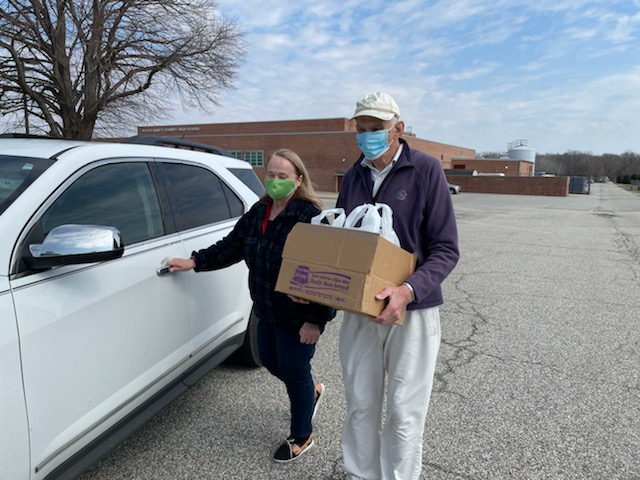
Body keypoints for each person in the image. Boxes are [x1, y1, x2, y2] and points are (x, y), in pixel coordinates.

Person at [167, 148, 335, 463]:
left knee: (295, 370)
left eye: (282, 176)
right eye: (271, 174)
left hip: (298, 316)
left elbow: (326, 273)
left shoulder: (310, 216)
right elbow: (232, 246)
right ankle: (310, 391)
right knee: (270, 360)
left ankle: (302, 435)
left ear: (298, 180)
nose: (274, 181)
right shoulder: (260, 211)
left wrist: (316, 319)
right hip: (265, 309)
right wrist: (195, 261)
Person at [336, 92, 460, 479]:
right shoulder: (354, 176)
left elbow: (446, 248)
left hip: (412, 310)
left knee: (405, 412)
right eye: (361, 129)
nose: (367, 136)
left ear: (398, 128)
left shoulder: (425, 170)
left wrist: (407, 291)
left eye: (376, 128)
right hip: (361, 309)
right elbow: (342, 240)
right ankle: (360, 475)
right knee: (360, 404)